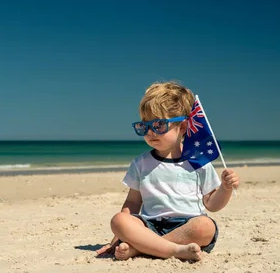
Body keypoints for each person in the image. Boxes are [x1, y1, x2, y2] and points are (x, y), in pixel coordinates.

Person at [96, 81, 240, 261]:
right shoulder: (141, 163)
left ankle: (143, 248)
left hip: (186, 226)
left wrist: (225, 189)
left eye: (159, 125)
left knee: (205, 226)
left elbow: (212, 204)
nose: (151, 132)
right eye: (145, 126)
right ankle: (172, 249)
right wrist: (118, 237)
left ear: (182, 127)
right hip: (149, 225)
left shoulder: (198, 162)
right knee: (119, 220)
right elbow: (133, 202)